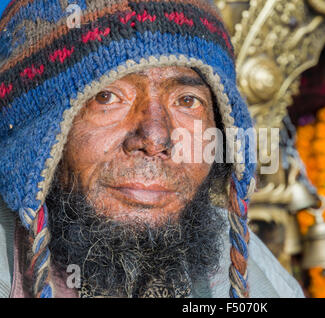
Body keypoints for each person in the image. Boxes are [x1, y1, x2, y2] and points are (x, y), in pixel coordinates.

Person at [0, 0, 304, 298]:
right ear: (33, 134)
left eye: (187, 101)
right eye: (106, 96)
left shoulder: (235, 256)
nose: (156, 137)